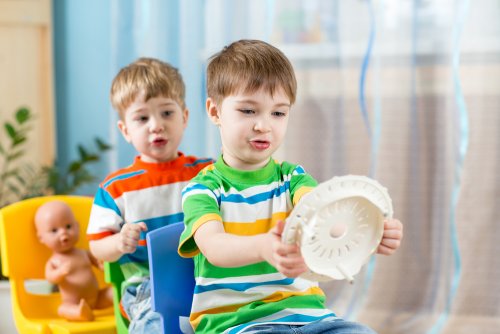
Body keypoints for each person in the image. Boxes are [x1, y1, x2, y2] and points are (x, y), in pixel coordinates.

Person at [178, 39, 404, 334]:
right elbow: (215, 248)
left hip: (311, 317)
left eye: (278, 113)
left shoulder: (294, 178)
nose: (264, 125)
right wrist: (262, 247)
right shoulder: (203, 189)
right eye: (248, 111)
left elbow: (327, 222)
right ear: (215, 111)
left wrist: (370, 232)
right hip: (238, 323)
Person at [86, 57, 212, 333]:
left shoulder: (206, 172)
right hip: (147, 286)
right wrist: (120, 242)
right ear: (125, 130)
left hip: (207, 277)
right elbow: (96, 248)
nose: (156, 125)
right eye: (142, 118)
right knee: (156, 324)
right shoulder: (115, 188)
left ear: (185, 117)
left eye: (167, 113)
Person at [35, 200, 113, 322]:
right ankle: (80, 313)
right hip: (72, 302)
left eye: (68, 226)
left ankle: (125, 306)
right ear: (41, 237)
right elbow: (50, 277)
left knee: (114, 292)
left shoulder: (84, 253)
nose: (63, 232)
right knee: (62, 309)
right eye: (54, 230)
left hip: (97, 297)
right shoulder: (54, 262)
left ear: (77, 226)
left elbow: (98, 263)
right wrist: (60, 272)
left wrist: (102, 265)